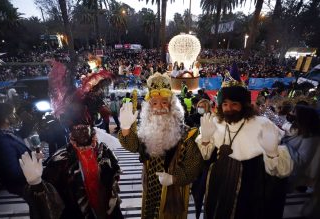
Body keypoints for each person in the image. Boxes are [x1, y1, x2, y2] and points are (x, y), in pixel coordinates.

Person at [19, 62, 123, 219]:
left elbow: (113, 182)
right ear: (69, 129)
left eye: (84, 127)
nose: (80, 131)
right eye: (76, 128)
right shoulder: (60, 161)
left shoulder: (105, 152)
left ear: (92, 127)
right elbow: (50, 203)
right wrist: (36, 184)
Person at [196, 71, 293, 219]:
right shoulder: (215, 122)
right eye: (225, 104)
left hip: (248, 190)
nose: (229, 108)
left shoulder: (262, 125)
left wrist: (273, 154)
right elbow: (205, 157)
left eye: (234, 104)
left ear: (245, 105)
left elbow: (281, 172)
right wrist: (205, 140)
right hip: (217, 186)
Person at [118, 72, 203, 219]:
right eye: (154, 103)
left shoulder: (187, 134)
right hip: (150, 188)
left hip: (173, 193)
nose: (159, 107)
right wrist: (126, 128)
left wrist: (174, 178)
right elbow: (133, 146)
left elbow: (194, 164)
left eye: (164, 102)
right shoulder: (145, 130)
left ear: (172, 105)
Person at [0, 102, 62, 219]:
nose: (15, 116)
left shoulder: (5, 133)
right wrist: (35, 164)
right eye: (13, 114)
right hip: (22, 188)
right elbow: (12, 173)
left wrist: (30, 120)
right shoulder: (1, 141)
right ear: (5, 118)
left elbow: (21, 133)